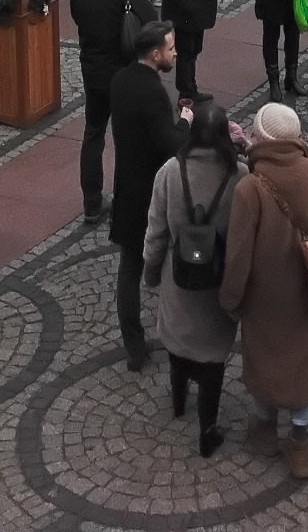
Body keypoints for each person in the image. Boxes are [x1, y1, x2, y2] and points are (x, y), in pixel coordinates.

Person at [218, 101, 308, 480]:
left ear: (261, 138)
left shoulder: (250, 188)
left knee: (263, 363)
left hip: (263, 297)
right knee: (302, 365)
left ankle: (266, 430)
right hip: (304, 293)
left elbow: (238, 255)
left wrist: (231, 298)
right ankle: (300, 444)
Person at [143, 100, 243, 458]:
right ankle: (207, 429)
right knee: (212, 362)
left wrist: (151, 272)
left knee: (179, 344)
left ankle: (178, 400)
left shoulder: (170, 172)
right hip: (217, 284)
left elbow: (156, 232)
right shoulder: (240, 177)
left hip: (178, 280)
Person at [109, 20, 189, 370]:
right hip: (154, 193)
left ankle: (134, 345)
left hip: (126, 188)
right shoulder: (154, 92)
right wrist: (185, 120)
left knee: (129, 269)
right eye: (171, 48)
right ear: (155, 54)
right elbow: (170, 144)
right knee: (171, 262)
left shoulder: (120, 79)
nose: (175, 53)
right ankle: (181, 332)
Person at [68, 0, 156, 221]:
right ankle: (126, 201)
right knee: (127, 139)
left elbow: (77, 17)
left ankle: (92, 203)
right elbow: (152, 23)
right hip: (122, 73)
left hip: (92, 71)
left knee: (93, 135)